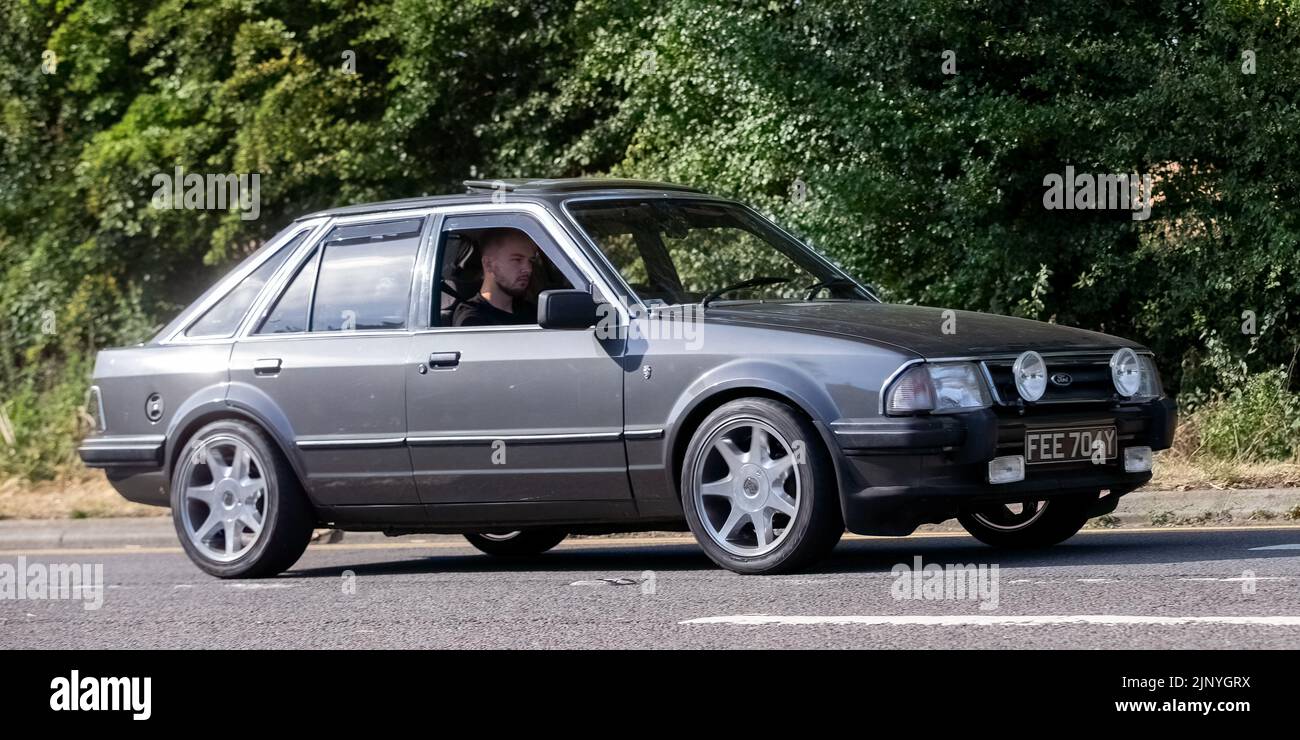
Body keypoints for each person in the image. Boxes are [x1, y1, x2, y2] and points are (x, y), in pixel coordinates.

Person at [453, 229, 539, 326]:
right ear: (488, 264)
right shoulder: (472, 320)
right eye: (517, 260)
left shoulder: (532, 311)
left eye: (530, 261)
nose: (528, 269)